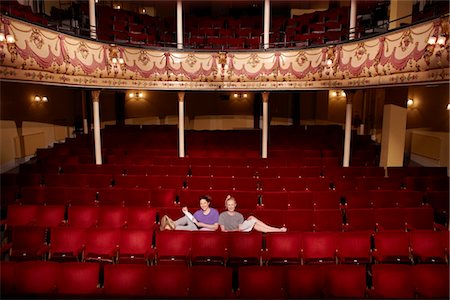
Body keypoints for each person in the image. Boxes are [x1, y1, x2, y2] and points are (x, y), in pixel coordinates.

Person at [219, 195, 287, 233]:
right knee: (253, 220)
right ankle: (277, 230)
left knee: (253, 221)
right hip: (238, 231)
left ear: (235, 205)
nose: (230, 207)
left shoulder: (239, 215)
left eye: (232, 205)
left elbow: (240, 228)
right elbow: (223, 230)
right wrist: (231, 231)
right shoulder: (222, 215)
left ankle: (276, 230)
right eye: (229, 205)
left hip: (241, 229)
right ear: (226, 206)